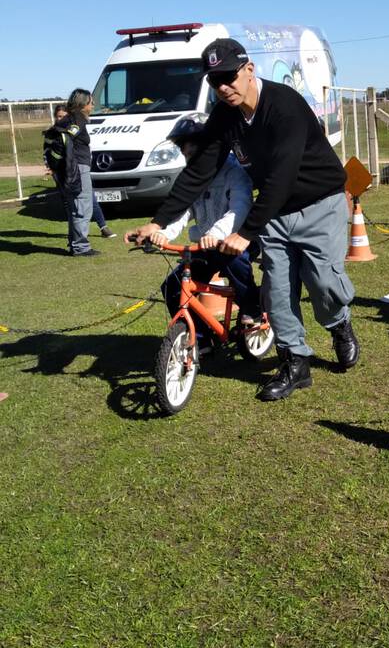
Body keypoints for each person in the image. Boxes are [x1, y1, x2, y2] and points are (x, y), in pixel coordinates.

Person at [126, 38, 358, 402]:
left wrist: (245, 232)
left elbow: (282, 176)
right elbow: (199, 171)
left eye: (229, 77)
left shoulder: (284, 106)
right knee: (277, 292)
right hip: (276, 215)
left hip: (320, 204)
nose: (223, 87)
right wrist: (158, 222)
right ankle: (296, 364)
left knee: (323, 285)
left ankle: (338, 324)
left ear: (249, 70)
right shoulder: (224, 116)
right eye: (214, 81)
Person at [150, 118, 262, 349]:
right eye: (184, 152)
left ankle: (253, 307)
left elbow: (239, 207)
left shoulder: (234, 171)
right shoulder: (192, 177)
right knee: (173, 287)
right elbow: (182, 210)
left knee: (235, 262)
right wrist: (165, 233)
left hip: (237, 239)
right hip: (205, 245)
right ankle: (201, 338)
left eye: (193, 151)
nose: (188, 157)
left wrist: (217, 233)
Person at [45, 104, 116, 239]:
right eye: (59, 116)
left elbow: (83, 149)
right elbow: (48, 151)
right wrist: (51, 166)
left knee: (89, 199)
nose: (61, 119)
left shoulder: (74, 130)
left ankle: (103, 227)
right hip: (61, 173)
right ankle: (75, 236)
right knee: (69, 203)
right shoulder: (54, 132)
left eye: (64, 116)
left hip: (77, 170)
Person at [59, 89, 99, 256]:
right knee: (82, 207)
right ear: (82, 104)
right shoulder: (78, 120)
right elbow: (68, 138)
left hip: (69, 168)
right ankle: (81, 247)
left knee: (75, 208)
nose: (93, 104)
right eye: (91, 102)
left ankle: (75, 244)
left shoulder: (69, 119)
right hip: (77, 168)